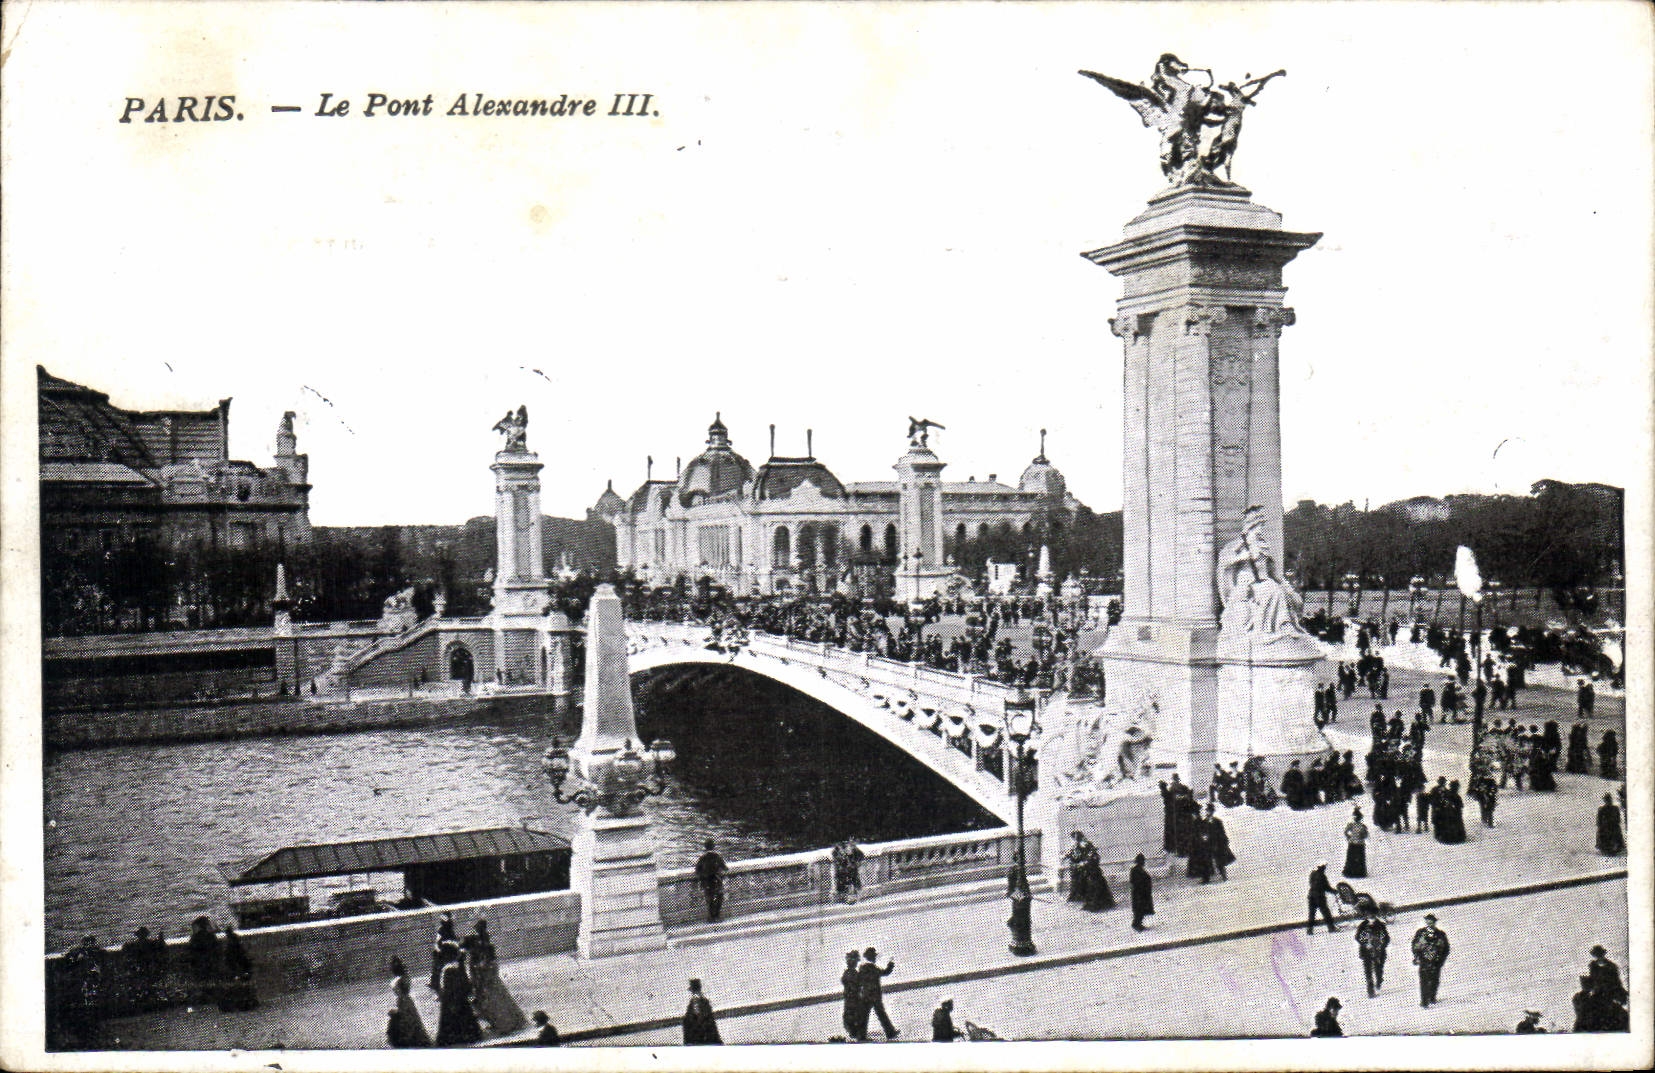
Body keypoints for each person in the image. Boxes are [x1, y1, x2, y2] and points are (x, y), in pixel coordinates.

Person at [465, 919, 526, 1034]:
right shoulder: (483, 943)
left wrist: (481, 970)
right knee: (497, 999)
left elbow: (486, 963)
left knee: (492, 1001)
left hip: (484, 978)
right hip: (485, 977)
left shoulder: (482, 944)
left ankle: (503, 1024)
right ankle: (502, 1022)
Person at [435, 949, 483, 1045]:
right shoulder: (453, 968)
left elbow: (447, 986)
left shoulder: (447, 969)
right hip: (458, 996)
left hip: (451, 997)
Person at [856, 948, 899, 1040]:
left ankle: (861, 1036)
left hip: (866, 996)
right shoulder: (873, 968)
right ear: (871, 957)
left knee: (864, 1016)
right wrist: (891, 964)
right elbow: (885, 972)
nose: (875, 958)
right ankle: (890, 1033)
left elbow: (859, 982)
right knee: (881, 1015)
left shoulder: (863, 968)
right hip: (874, 996)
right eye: (874, 956)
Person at [1411, 913, 1450, 1008]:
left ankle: (1432, 996)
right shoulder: (1420, 933)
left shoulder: (1441, 934)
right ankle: (1424, 1001)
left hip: (1436, 961)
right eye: (1428, 921)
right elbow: (1415, 945)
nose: (1430, 923)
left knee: (1434, 979)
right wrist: (1417, 956)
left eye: (1432, 921)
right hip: (1423, 960)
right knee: (1423, 980)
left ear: (1435, 922)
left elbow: (1446, 948)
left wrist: (1441, 960)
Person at [217, 927, 259, 1012]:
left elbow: (230, 961)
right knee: (242, 988)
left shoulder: (230, 948)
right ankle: (245, 1003)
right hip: (241, 970)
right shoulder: (236, 946)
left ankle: (237, 1004)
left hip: (236, 971)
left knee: (235, 988)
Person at [388, 971, 433, 1047]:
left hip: (408, 1022)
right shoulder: (408, 998)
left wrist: (394, 1013)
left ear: (399, 989)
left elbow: (404, 1013)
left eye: (395, 990)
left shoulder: (401, 1000)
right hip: (411, 1019)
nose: (394, 992)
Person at [185, 915, 221, 1002]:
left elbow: (191, 951)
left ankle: (206, 996)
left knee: (203, 980)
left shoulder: (196, 938)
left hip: (200, 963)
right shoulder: (210, 936)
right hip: (210, 962)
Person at [1355, 914, 1390, 997]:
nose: (1370, 917)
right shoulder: (1363, 925)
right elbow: (1357, 937)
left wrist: (1381, 946)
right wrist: (1365, 944)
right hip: (1367, 952)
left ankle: (1378, 982)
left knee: (1378, 969)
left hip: (1379, 952)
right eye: (1368, 915)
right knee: (1368, 971)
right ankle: (1370, 990)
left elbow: (1386, 938)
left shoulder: (1380, 925)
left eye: (1372, 915)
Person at [694, 840, 728, 923]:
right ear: (713, 847)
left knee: (709, 899)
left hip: (707, 882)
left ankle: (711, 917)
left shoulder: (702, 858)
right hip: (716, 881)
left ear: (705, 847)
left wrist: (703, 876)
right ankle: (717, 915)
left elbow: (697, 870)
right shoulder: (717, 856)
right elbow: (725, 868)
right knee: (719, 897)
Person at [682, 978, 722, 1045]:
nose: (695, 995)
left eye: (696, 992)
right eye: (694, 992)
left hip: (706, 1038)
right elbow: (688, 1022)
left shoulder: (705, 1003)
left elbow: (710, 1022)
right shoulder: (691, 1005)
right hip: (695, 1040)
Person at [839, 951, 866, 1041]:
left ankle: (853, 1031)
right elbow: (858, 983)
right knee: (855, 1014)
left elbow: (845, 981)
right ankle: (855, 1032)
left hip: (850, 997)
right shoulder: (853, 973)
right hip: (853, 997)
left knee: (850, 1014)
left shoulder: (847, 973)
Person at [1205, 803, 1235, 881]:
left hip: (1218, 842)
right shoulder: (1205, 821)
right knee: (1207, 860)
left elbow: (1222, 832)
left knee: (1219, 859)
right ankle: (1206, 878)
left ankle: (1223, 875)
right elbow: (1203, 831)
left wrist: (1224, 840)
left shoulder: (1218, 821)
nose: (1209, 813)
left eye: (1210, 811)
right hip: (1208, 843)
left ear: (1212, 812)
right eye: (1208, 811)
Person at [1307, 862, 1339, 934]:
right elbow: (1326, 887)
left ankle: (1309, 929)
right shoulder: (1322, 876)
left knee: (1312, 914)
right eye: (1324, 867)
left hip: (1311, 895)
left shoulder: (1312, 874)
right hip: (1319, 897)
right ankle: (1331, 928)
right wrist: (1335, 892)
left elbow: (1312, 883)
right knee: (1326, 913)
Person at [832, 838, 865, 903]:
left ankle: (854, 897)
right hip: (843, 871)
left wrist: (856, 864)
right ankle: (846, 897)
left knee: (854, 882)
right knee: (844, 884)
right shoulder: (836, 851)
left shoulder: (854, 849)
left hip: (851, 869)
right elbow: (836, 860)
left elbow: (860, 856)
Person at [430, 912, 458, 992]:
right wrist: (439, 949)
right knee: (438, 968)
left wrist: (452, 943)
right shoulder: (441, 929)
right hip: (443, 951)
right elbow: (437, 941)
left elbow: (454, 941)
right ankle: (436, 986)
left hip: (451, 951)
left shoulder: (451, 929)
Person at [1065, 832, 1094, 905]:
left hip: (1082, 867)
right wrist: (1065, 856)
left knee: (1082, 881)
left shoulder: (1084, 845)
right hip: (1074, 867)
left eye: (1075, 838)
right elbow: (1071, 853)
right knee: (1075, 881)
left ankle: (1083, 896)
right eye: (1073, 839)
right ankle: (1075, 896)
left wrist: (1083, 863)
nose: (1074, 840)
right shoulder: (1075, 846)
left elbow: (1086, 855)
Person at [1434, 780, 1467, 844]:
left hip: (1451, 815)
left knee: (1452, 825)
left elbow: (1460, 805)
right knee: (1451, 825)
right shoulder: (1450, 795)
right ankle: (1453, 837)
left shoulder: (1450, 794)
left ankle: (1453, 837)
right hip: (1450, 814)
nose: (1457, 789)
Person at [1129, 853, 1154, 931]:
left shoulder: (1139, 870)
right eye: (1142, 861)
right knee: (1139, 910)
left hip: (1142, 893)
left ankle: (1138, 923)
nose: (1143, 862)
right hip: (1139, 894)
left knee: (1141, 910)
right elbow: (1136, 882)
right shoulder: (1136, 870)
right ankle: (1136, 924)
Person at [1343, 808, 1369, 879]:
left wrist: (1349, 837)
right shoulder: (1362, 826)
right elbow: (1366, 835)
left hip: (1352, 843)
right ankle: (1359, 873)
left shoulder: (1351, 825)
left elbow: (1345, 832)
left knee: (1351, 858)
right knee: (1359, 858)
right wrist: (1362, 836)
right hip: (1360, 844)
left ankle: (1351, 872)